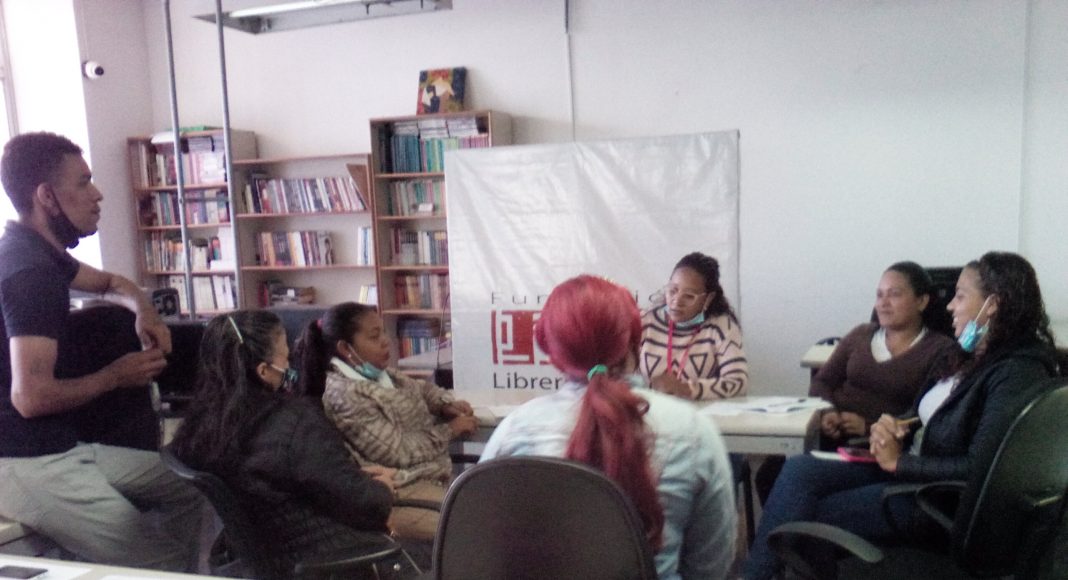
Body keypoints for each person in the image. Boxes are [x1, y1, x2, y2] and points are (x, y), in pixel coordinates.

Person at [744, 251, 1060, 580]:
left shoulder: (1015, 372)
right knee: (799, 469)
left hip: (933, 497)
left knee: (806, 513)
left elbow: (981, 470)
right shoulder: (965, 356)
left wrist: (900, 463)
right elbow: (923, 412)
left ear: (991, 305)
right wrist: (893, 426)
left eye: (960, 296)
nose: (950, 306)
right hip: (908, 467)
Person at [0, 132, 202, 570]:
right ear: (47, 197)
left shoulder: (37, 253)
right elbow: (30, 398)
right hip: (24, 462)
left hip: (63, 448)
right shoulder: (30, 274)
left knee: (192, 487)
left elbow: (112, 282)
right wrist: (116, 376)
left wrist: (145, 311)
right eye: (83, 182)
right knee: (160, 563)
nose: (98, 194)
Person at [481, 275, 737, 580]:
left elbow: (484, 546)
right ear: (633, 342)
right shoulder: (694, 431)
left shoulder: (514, 431)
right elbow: (710, 567)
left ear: (553, 353)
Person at [169, 311, 395, 579]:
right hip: (327, 556)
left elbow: (284, 479)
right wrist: (382, 488)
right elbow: (366, 505)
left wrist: (349, 476)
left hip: (262, 559)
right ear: (264, 371)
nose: (290, 366)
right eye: (286, 359)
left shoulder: (200, 427)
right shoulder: (295, 423)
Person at [294, 302, 478, 541]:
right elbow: (397, 452)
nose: (386, 341)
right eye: (374, 336)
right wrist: (449, 430)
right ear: (345, 348)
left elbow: (421, 389)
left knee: (494, 514)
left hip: (431, 480)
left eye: (383, 332)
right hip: (399, 494)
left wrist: (444, 404)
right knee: (480, 531)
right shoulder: (344, 394)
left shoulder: (380, 374)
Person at [811, 261, 956, 446]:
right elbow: (822, 382)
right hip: (830, 436)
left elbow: (929, 417)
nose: (883, 304)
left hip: (881, 447)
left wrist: (868, 427)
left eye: (894, 294)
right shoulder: (861, 334)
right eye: (879, 295)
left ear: (921, 301)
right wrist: (828, 411)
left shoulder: (941, 350)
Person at [640, 252, 748, 400]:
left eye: (689, 296)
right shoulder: (646, 322)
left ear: (708, 298)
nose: (676, 301)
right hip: (650, 410)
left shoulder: (721, 327)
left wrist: (687, 389)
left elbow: (739, 382)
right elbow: (620, 375)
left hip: (699, 412)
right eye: (672, 291)